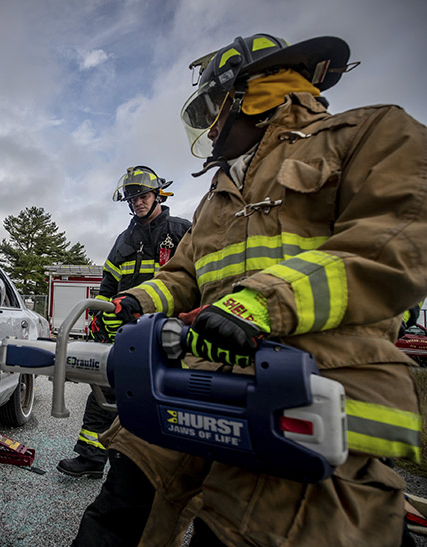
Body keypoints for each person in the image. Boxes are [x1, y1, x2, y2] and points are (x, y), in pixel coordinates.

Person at [73, 33, 426, 546]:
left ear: (250, 94)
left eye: (214, 111)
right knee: (118, 512)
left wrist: (262, 302)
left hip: (307, 392)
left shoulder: (369, 134)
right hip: (197, 383)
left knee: (239, 532)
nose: (211, 130)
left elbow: (394, 241)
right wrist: (135, 302)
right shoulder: (218, 195)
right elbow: (185, 276)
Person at [57, 166, 190, 479]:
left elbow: (192, 280)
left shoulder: (181, 230)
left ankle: (161, 469)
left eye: (142, 196)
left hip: (168, 331)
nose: (138, 203)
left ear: (158, 194)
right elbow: (109, 284)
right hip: (126, 332)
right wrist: (100, 318)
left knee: (167, 396)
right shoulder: (124, 239)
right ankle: (91, 457)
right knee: (105, 390)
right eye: (133, 200)